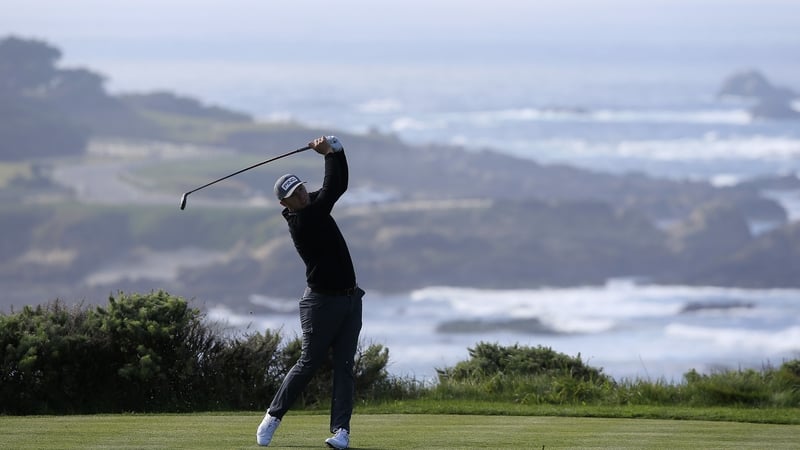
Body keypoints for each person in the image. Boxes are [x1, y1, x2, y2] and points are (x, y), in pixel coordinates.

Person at [256, 135, 364, 449]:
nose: (302, 194)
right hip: (321, 303)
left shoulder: (311, 206)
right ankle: (272, 417)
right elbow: (330, 191)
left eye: (302, 188)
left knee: (345, 366)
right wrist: (328, 154)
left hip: (349, 299)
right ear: (284, 204)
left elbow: (338, 187)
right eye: (294, 194)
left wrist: (338, 153)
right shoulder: (304, 220)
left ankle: (341, 432)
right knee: (308, 363)